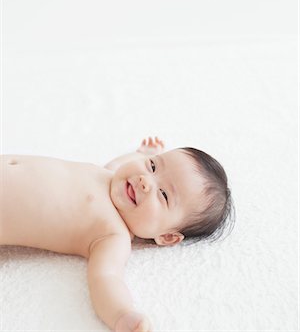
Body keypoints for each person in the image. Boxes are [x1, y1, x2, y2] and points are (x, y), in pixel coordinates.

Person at [0, 136, 234, 332]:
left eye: (163, 195)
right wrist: (142, 152)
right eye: (152, 166)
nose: (145, 181)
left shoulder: (113, 235)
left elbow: (106, 277)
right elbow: (123, 162)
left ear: (167, 237)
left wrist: (122, 315)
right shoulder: (110, 175)